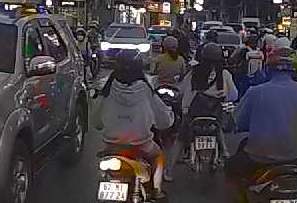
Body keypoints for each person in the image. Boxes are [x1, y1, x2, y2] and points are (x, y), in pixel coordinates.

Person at [227, 43, 297, 198]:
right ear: (294, 70)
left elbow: (238, 122)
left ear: (268, 69)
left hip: (259, 158)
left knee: (230, 167)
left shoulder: (255, 92)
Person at [96, 54, 175, 198]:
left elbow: (96, 122)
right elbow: (163, 120)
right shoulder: (146, 90)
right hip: (141, 145)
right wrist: (169, 119)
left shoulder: (108, 89)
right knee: (158, 157)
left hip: (111, 146)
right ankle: (157, 190)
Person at [180, 43, 238, 162]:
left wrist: (185, 108)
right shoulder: (224, 74)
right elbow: (233, 95)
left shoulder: (194, 72)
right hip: (215, 115)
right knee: (219, 126)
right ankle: (224, 151)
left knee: (180, 138)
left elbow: (183, 91)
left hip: (194, 115)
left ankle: (169, 168)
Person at [148, 35, 187, 179]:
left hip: (159, 89)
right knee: (180, 110)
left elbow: (152, 72)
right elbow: (183, 75)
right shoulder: (180, 60)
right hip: (175, 90)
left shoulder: (159, 58)